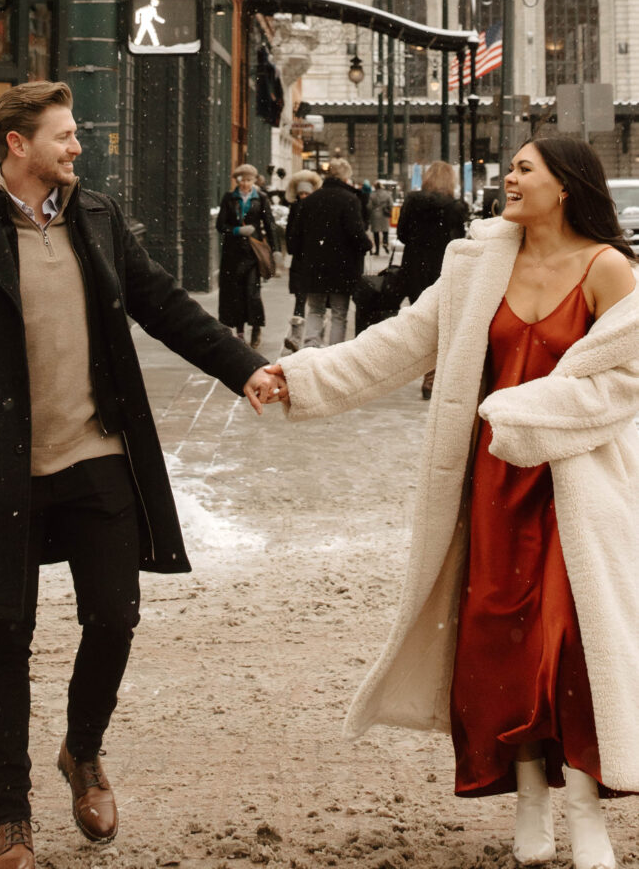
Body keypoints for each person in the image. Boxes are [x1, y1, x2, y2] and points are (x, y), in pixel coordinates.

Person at [265, 136, 639, 869]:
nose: (508, 177)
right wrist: (298, 378)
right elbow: (400, 344)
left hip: (577, 489)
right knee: (501, 643)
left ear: (564, 186)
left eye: (524, 168)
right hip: (492, 487)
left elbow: (624, 382)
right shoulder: (475, 264)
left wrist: (527, 410)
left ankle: (587, 809)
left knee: (567, 646)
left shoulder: (607, 271)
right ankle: (530, 790)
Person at [0, 82, 281, 869]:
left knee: (113, 615)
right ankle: (12, 818)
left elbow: (165, 306)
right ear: (17, 146)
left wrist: (245, 369)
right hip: (1, 472)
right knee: (5, 637)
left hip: (95, 454)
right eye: (62, 137)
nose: (76, 148)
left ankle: (83, 750)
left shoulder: (94, 218)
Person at [395, 161, 469, 398]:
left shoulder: (412, 201)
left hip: (415, 266)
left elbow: (402, 235)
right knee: (441, 322)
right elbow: (458, 240)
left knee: (421, 320)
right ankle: (432, 376)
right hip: (443, 268)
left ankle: (425, 368)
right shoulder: (456, 207)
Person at [288, 157, 372, 348]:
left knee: (315, 310)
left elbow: (295, 237)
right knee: (339, 312)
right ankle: (333, 354)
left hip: (314, 266)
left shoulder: (310, 201)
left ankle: (310, 349)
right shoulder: (349, 200)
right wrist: (367, 245)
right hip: (342, 268)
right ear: (346, 176)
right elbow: (355, 233)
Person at [216, 163, 279, 349]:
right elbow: (221, 225)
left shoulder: (260, 198)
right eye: (242, 180)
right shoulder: (229, 198)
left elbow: (270, 224)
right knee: (235, 293)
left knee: (252, 292)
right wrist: (237, 230)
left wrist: (275, 249)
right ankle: (240, 331)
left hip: (253, 254)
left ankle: (257, 328)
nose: (245, 184)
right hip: (232, 255)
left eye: (249, 180)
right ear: (237, 181)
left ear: (254, 181)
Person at [283, 169, 322, 352]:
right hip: (305, 261)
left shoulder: (298, 210)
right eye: (301, 194)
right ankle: (299, 337)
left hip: (307, 261)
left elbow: (291, 239)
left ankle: (304, 337)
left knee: (313, 301)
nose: (304, 197)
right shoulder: (312, 209)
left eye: (307, 193)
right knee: (304, 300)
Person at [370, 180, 394, 254]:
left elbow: (369, 206)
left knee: (376, 233)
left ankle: (377, 250)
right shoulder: (387, 194)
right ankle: (385, 243)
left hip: (375, 215)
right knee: (385, 231)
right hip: (384, 214)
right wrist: (387, 208)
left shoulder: (372, 194)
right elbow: (391, 204)